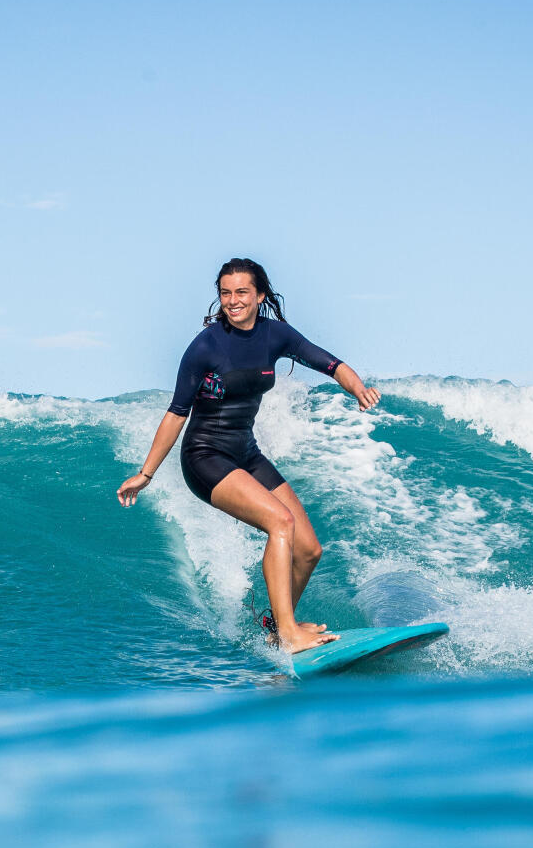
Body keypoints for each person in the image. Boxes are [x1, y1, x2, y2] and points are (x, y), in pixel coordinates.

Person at [117, 258, 380, 655]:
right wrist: (146, 473)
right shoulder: (205, 347)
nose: (233, 300)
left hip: (246, 451)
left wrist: (356, 387)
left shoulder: (275, 335)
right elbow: (176, 413)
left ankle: (277, 626)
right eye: (226, 293)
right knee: (281, 522)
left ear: (259, 295)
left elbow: (329, 363)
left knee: (309, 550)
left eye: (242, 292)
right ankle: (289, 634)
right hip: (205, 457)